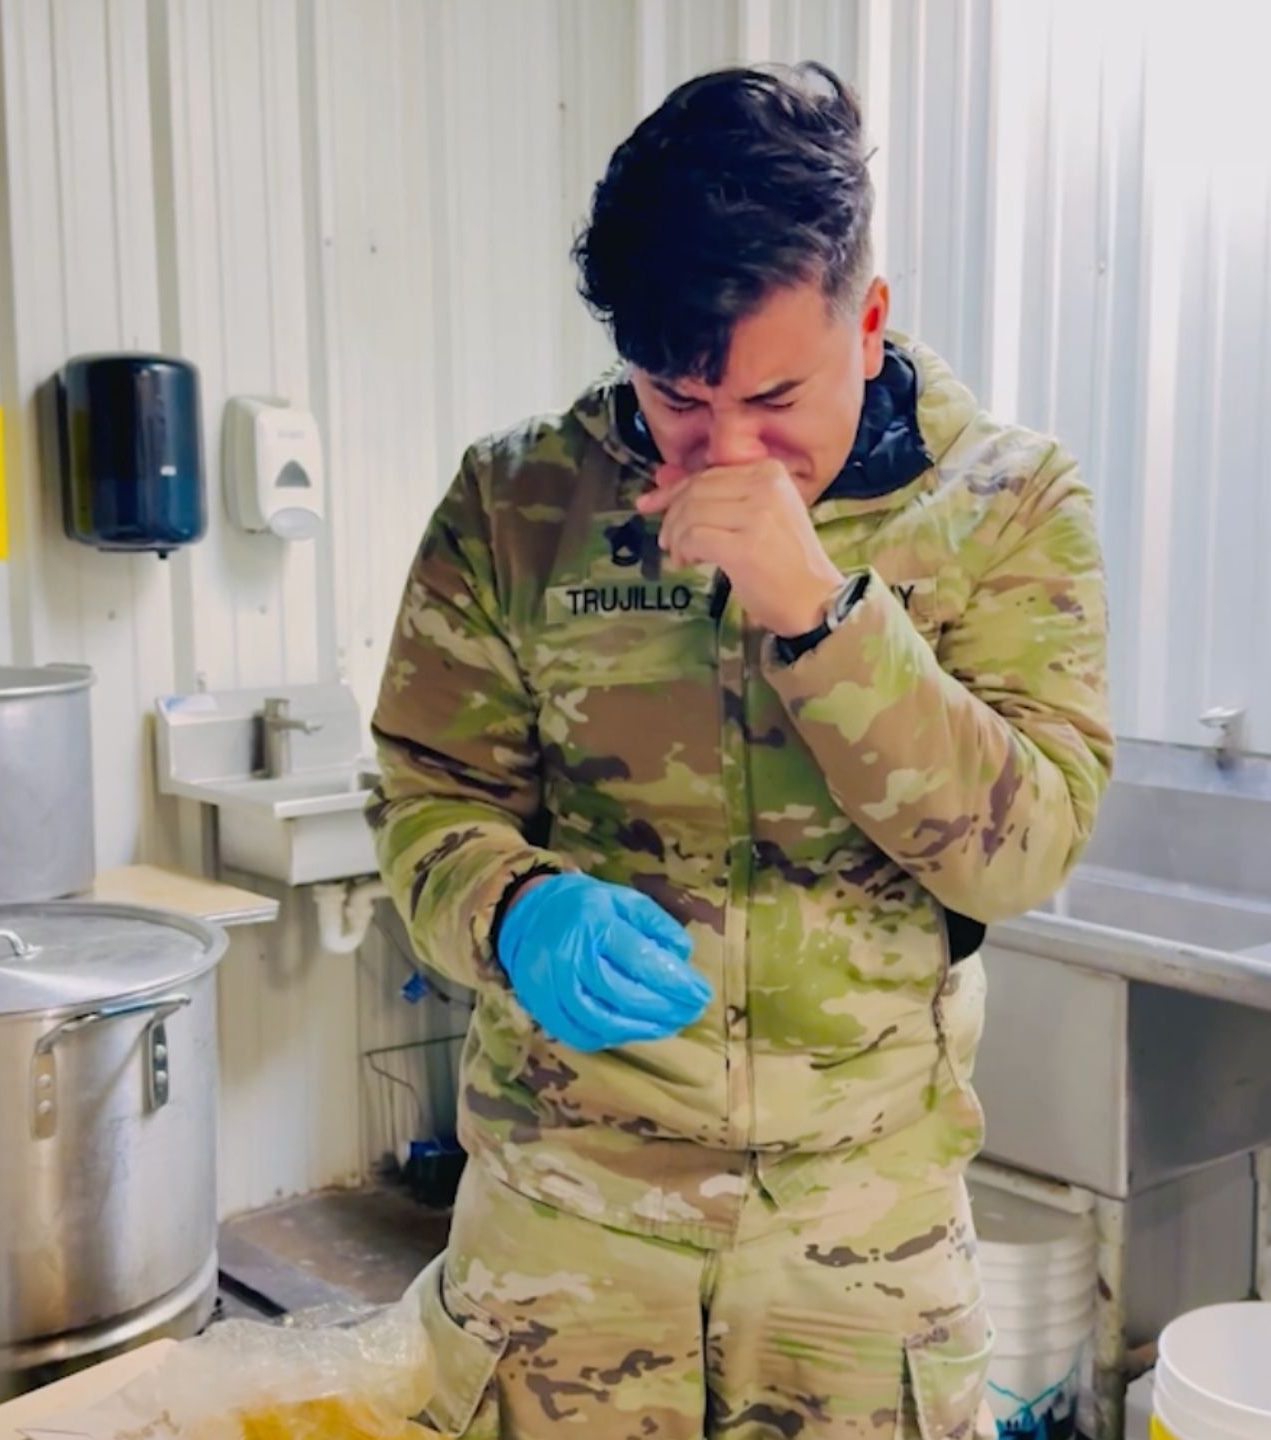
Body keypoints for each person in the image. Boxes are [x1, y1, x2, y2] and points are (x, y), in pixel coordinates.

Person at [369, 63, 1110, 1439]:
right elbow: (424, 804)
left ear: (867, 321)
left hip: (861, 1251)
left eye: (775, 399)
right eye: (673, 399)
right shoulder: (515, 502)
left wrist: (821, 617)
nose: (726, 454)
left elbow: (1025, 852)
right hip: (564, 1234)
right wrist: (516, 908)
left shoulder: (1009, 505)